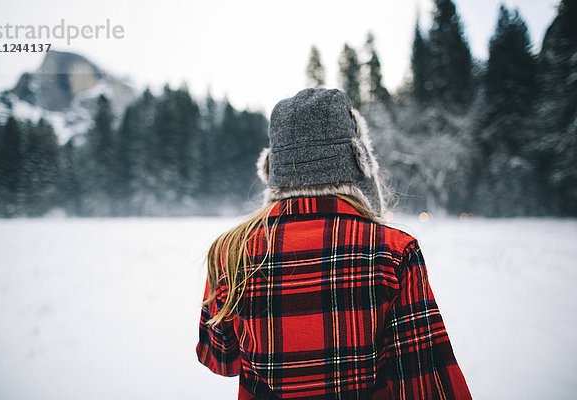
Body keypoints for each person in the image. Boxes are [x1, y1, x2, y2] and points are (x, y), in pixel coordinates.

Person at [196, 88, 472, 399]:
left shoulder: (231, 252)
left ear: (273, 169)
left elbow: (220, 359)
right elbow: (426, 381)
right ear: (358, 163)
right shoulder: (393, 251)